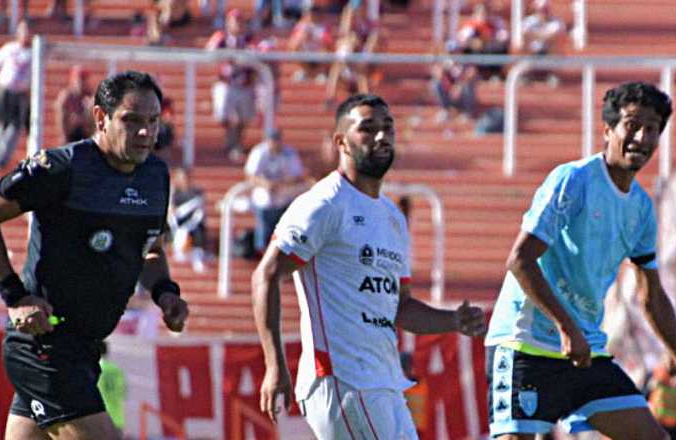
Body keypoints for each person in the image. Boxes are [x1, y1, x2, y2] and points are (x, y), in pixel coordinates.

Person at [484, 82, 676, 439]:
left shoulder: (640, 208)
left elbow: (650, 295)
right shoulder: (573, 180)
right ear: (608, 130)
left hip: (584, 351)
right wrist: (566, 327)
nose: (641, 136)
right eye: (632, 125)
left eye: (651, 128)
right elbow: (520, 260)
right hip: (524, 344)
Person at [251, 93, 487, 439]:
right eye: (367, 128)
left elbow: (400, 307)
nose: (381, 136)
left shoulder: (392, 216)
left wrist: (452, 320)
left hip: (384, 381)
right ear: (341, 142)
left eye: (387, 127)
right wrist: (274, 365)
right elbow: (266, 276)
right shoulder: (325, 203)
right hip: (342, 379)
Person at [0, 70, 190, 440]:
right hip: (44, 344)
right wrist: (14, 296)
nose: (146, 133)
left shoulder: (156, 177)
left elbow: (150, 250)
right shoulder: (62, 168)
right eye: (131, 121)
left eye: (153, 121)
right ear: (100, 118)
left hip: (84, 351)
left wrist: (165, 292)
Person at [206, 8, 257, 161]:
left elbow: (257, 56)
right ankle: (231, 140)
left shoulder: (249, 40)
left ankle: (236, 142)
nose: (238, 25)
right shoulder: (221, 38)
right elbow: (209, 53)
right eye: (235, 22)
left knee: (245, 116)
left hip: (245, 83)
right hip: (226, 82)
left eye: (241, 22)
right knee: (224, 112)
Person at [244, 128, 306, 254]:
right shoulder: (259, 152)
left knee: (283, 237)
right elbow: (250, 175)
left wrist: (280, 184)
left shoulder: (289, 154)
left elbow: (299, 176)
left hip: (284, 200)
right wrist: (266, 184)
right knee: (264, 237)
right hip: (264, 201)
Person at [0, 19, 31, 171]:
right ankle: (0, 154)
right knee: (0, 123)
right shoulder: (9, 48)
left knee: (15, 126)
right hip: (4, 90)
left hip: (20, 94)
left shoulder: (33, 52)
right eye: (23, 30)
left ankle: (2, 157)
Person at [53, 65, 95, 144]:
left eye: (84, 79)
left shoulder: (89, 95)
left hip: (86, 132)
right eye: (80, 79)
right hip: (70, 133)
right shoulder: (67, 96)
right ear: (73, 80)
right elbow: (60, 114)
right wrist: (63, 135)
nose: (82, 83)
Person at [96, 342, 127, 433]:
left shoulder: (95, 369)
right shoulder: (117, 369)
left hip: (100, 417)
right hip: (117, 417)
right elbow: (123, 392)